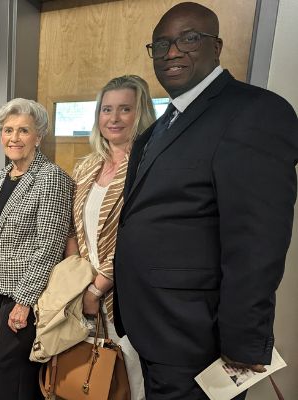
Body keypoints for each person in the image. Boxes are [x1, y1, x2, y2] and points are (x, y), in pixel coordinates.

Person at [114, 3, 298, 399]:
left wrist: (245, 342)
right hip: (152, 326)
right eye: (160, 44)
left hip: (198, 334)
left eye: (188, 39)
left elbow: (257, 241)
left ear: (217, 46)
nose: (172, 52)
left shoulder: (254, 112)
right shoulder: (158, 128)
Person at [65, 75, 156, 400]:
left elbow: (138, 240)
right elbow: (72, 227)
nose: (114, 118)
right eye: (106, 110)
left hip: (127, 298)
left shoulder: (149, 166)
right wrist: (79, 279)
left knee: (130, 380)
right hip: (85, 294)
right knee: (92, 378)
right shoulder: (87, 165)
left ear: (141, 113)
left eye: (125, 109)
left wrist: (97, 287)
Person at [0, 98, 74, 399]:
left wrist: (23, 302)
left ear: (39, 135)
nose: (14, 138)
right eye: (8, 130)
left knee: (10, 373)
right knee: (8, 371)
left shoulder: (52, 178)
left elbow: (49, 244)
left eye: (23, 130)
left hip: (27, 296)